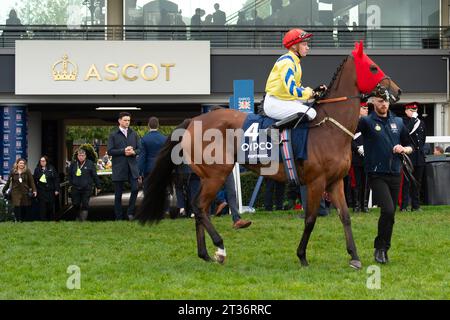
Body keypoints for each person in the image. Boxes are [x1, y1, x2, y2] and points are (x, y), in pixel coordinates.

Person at [357, 88, 413, 264]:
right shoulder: (366, 122)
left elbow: (410, 145)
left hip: (395, 172)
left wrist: (404, 149)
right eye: (380, 101)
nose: (383, 104)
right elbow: (350, 130)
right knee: (388, 209)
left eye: (386, 101)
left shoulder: (398, 121)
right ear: (373, 103)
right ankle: (379, 248)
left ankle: (384, 248)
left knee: (391, 214)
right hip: (376, 173)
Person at [264, 28, 327, 126]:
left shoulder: (295, 62)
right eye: (304, 44)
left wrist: (313, 92)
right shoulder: (287, 62)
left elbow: (297, 87)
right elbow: (292, 90)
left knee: (313, 107)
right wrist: (312, 93)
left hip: (283, 100)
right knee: (311, 113)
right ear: (294, 46)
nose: (307, 48)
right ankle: (274, 128)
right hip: (274, 103)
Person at [107, 112, 141, 221]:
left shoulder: (134, 134)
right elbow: (110, 151)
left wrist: (133, 152)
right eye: (125, 120)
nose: (127, 122)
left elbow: (140, 149)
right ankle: (118, 217)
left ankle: (130, 212)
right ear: (119, 121)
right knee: (118, 195)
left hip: (132, 167)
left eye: (129, 120)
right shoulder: (113, 135)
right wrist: (123, 151)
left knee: (135, 189)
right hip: (119, 168)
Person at [400, 102, 426, 212]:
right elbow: (406, 133)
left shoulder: (421, 122)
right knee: (406, 181)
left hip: (419, 156)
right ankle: (404, 206)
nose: (414, 112)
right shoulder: (403, 121)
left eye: (415, 110)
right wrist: (413, 120)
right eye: (411, 110)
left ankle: (416, 205)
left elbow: (423, 139)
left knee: (417, 181)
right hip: (408, 154)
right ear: (406, 111)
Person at [68, 149, 101, 222]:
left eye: (82, 155)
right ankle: (78, 216)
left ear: (85, 156)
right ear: (77, 156)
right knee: (76, 204)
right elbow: (69, 175)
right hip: (75, 188)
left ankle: (83, 220)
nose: (81, 157)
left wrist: (98, 186)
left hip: (86, 188)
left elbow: (94, 175)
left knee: (85, 204)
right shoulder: (73, 164)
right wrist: (71, 183)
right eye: (79, 155)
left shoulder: (90, 164)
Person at [350, 102, 370, 213]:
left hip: (368, 157)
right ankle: (356, 205)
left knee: (366, 183)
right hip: (356, 158)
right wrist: (357, 148)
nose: (366, 110)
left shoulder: (370, 122)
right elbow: (349, 139)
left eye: (367, 108)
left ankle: (365, 205)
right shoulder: (353, 123)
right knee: (356, 182)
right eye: (364, 108)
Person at [138, 116, 167, 190]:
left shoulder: (144, 139)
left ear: (148, 125)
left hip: (148, 170)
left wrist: (139, 173)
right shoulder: (164, 139)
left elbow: (142, 158)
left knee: (148, 191)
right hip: (161, 169)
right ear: (158, 125)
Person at [33, 156, 60, 221]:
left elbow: (56, 179)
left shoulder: (51, 168)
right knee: (42, 208)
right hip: (41, 191)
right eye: (41, 161)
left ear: (46, 161)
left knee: (50, 207)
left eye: (43, 161)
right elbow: (34, 180)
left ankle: (51, 220)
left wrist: (57, 189)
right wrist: (35, 190)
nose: (42, 162)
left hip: (50, 191)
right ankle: (43, 222)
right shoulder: (37, 169)